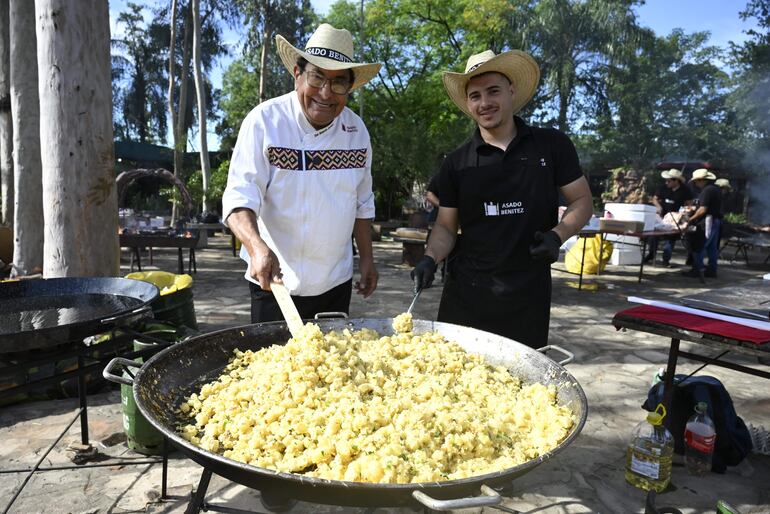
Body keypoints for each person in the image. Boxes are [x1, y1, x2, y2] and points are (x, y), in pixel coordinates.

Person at [411, 49, 592, 348]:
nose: (485, 103)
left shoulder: (551, 145)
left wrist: (556, 236)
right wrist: (430, 258)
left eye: (493, 91)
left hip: (527, 295)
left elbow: (582, 201)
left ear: (511, 91)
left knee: (522, 385)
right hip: (466, 293)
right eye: (475, 96)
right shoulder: (456, 163)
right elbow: (445, 226)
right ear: (468, 104)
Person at [222, 24, 382, 324]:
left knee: (330, 367)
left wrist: (368, 261)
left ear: (350, 87)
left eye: (337, 83)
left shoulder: (356, 131)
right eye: (317, 77)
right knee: (275, 369)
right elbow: (239, 198)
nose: (325, 93)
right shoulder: (264, 122)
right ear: (297, 74)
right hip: (274, 281)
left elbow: (362, 204)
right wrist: (256, 248)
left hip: (336, 281)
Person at [645, 168, 693, 266]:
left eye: (669, 180)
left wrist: (684, 214)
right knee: (654, 236)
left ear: (676, 181)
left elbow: (689, 204)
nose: (667, 182)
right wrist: (658, 207)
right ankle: (650, 255)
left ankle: (665, 260)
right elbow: (655, 199)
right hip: (662, 216)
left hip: (675, 218)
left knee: (670, 239)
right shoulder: (663, 188)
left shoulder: (685, 190)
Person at [682, 169, 722, 279]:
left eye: (696, 181)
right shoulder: (716, 189)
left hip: (708, 221)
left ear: (701, 180)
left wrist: (690, 219)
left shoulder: (707, 190)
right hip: (715, 220)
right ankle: (712, 271)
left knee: (699, 245)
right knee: (712, 248)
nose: (695, 184)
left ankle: (697, 270)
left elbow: (703, 209)